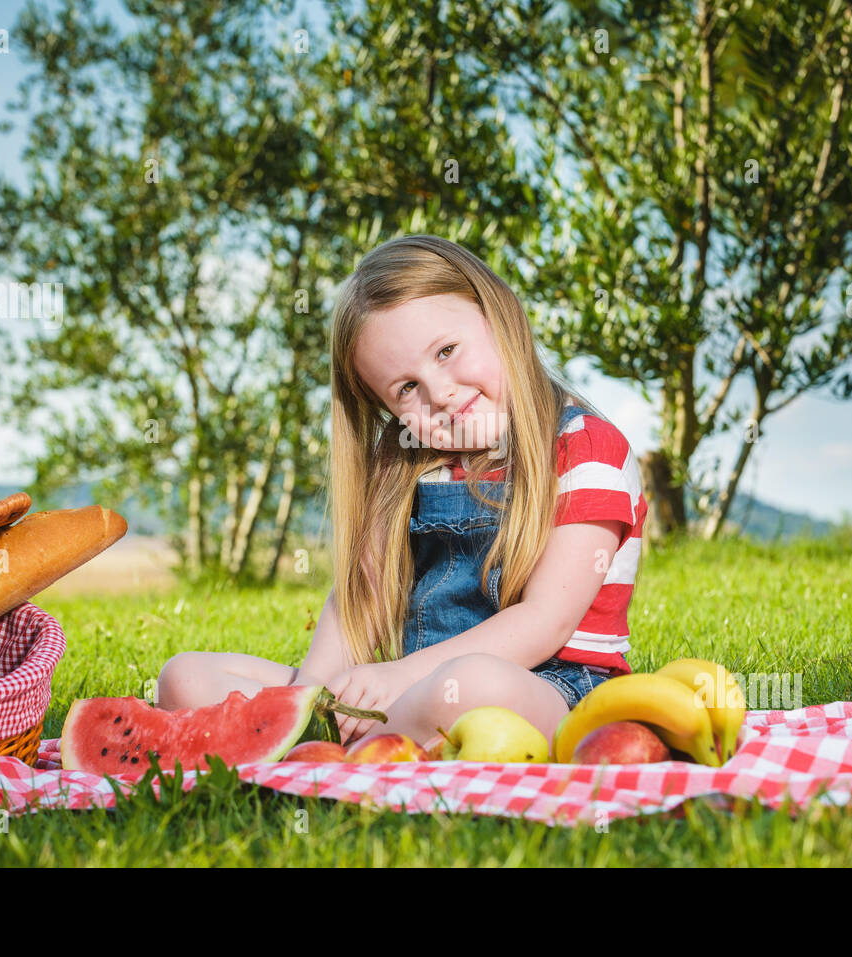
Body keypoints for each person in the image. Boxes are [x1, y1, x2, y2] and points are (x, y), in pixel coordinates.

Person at [156, 234, 646, 750]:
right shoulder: (407, 458)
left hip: (554, 690)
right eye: (406, 388)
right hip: (408, 689)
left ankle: (321, 753)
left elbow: (544, 622)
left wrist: (403, 676)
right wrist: (305, 697)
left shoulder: (584, 448)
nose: (440, 393)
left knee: (470, 687)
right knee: (182, 677)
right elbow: (358, 601)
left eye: (447, 351)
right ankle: (311, 741)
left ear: (497, 313)